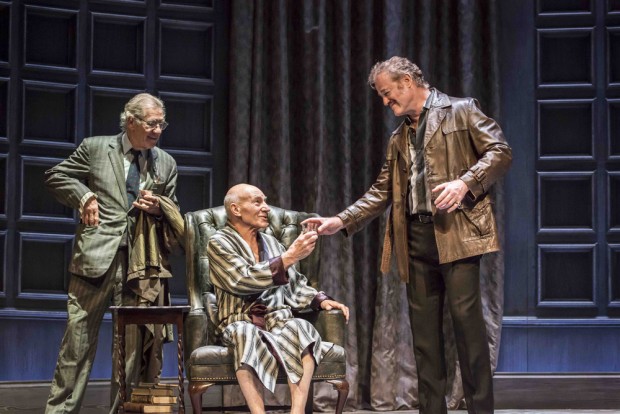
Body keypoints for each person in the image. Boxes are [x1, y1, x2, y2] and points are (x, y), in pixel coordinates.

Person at [303, 56, 512, 414]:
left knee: (468, 330)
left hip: (457, 235)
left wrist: (465, 183)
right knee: (425, 339)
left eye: (387, 93)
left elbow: (500, 151)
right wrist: (340, 220)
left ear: (406, 81)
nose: (385, 102)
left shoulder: (460, 111)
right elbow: (381, 190)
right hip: (414, 239)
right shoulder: (399, 137)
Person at [44, 93, 183, 414]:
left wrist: (159, 208)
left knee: (131, 349)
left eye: (162, 124)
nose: (158, 130)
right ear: (130, 121)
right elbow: (57, 175)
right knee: (77, 345)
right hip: (94, 260)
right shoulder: (95, 148)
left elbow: (173, 210)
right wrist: (83, 195)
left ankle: (123, 411)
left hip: (140, 266)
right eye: (152, 123)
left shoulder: (166, 162)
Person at [207, 183, 350, 414]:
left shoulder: (272, 242)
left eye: (265, 201)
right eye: (257, 202)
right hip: (239, 320)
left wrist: (320, 300)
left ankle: (297, 411)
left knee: (302, 328)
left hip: (278, 319)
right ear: (235, 209)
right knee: (245, 333)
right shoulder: (219, 242)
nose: (266, 208)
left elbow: (294, 284)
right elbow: (241, 279)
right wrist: (288, 257)